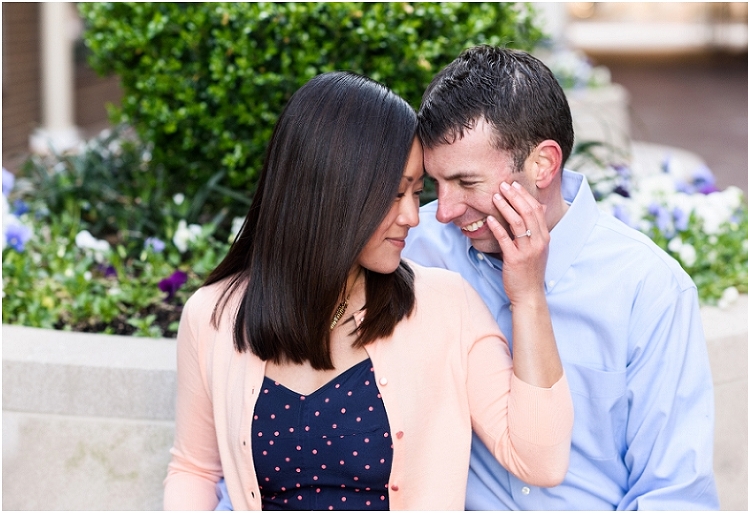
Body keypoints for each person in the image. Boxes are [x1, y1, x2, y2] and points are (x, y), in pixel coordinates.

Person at [163, 71, 573, 511]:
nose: (414, 217)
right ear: (331, 194)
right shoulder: (213, 316)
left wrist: (528, 297)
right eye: (395, 195)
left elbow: (540, 461)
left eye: (417, 193)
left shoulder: (445, 305)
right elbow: (195, 470)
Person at [402, 45, 720, 510]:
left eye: (467, 184)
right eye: (436, 184)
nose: (444, 209)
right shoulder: (417, 248)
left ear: (543, 165)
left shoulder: (649, 289)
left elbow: (674, 493)